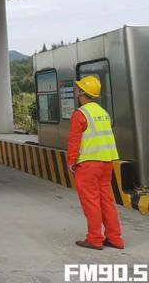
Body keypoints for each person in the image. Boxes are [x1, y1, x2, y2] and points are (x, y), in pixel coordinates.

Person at [67, 75, 124, 250]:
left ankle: (94, 239)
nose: (77, 92)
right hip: (106, 163)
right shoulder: (103, 113)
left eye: (79, 89)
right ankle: (115, 238)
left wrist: (70, 161)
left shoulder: (81, 114)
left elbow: (74, 141)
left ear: (83, 93)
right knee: (106, 201)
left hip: (88, 165)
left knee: (91, 201)